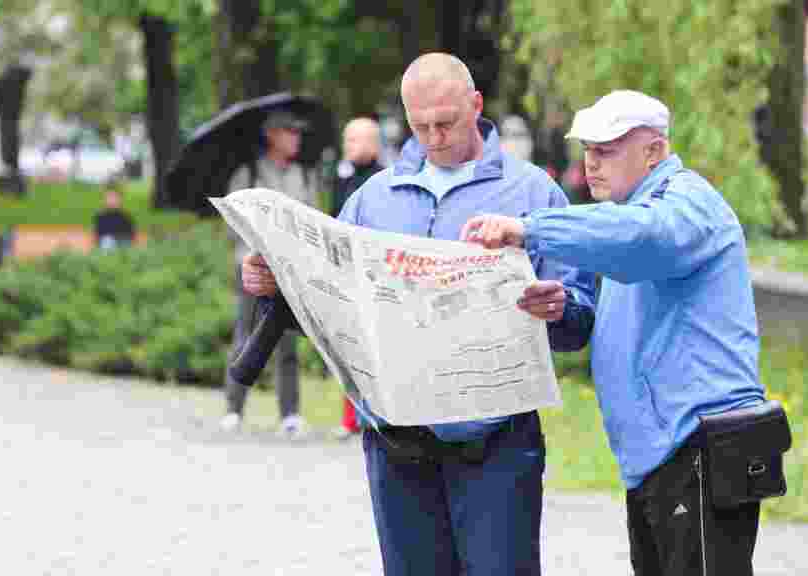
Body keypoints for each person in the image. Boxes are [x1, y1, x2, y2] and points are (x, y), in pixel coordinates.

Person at [240, 52, 595, 575]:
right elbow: (332, 307)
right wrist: (276, 287)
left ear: (476, 105)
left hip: (493, 443)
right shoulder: (371, 199)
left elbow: (580, 319)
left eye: (446, 122)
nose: (434, 137)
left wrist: (560, 309)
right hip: (395, 443)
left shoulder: (534, 193)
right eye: (419, 124)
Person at [461, 90, 767, 576]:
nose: (590, 165)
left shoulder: (686, 203)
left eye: (606, 151)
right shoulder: (634, 210)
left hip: (699, 448)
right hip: (660, 457)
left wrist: (529, 229)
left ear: (654, 151)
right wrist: (561, 310)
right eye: (587, 150)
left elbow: (642, 239)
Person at [222, 109, 319, 438]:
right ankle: (233, 410)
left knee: (288, 340)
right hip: (254, 266)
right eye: (290, 132)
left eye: (298, 132)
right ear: (272, 135)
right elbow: (233, 221)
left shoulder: (304, 176)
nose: (297, 138)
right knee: (246, 334)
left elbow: (312, 221)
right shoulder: (247, 173)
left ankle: (290, 414)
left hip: (290, 271)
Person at [332, 117, 384, 439]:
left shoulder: (384, 179)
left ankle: (375, 413)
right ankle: (350, 417)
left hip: (374, 272)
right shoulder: (340, 175)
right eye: (349, 140)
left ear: (375, 144)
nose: (354, 147)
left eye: (361, 140)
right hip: (344, 269)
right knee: (347, 344)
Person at [93, 184, 136, 250]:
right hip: (107, 241)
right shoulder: (100, 216)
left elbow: (132, 234)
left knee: (125, 243)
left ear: (120, 200)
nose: (112, 200)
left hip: (123, 240)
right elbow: (97, 234)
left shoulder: (126, 215)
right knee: (107, 241)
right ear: (104, 200)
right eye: (109, 197)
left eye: (115, 197)